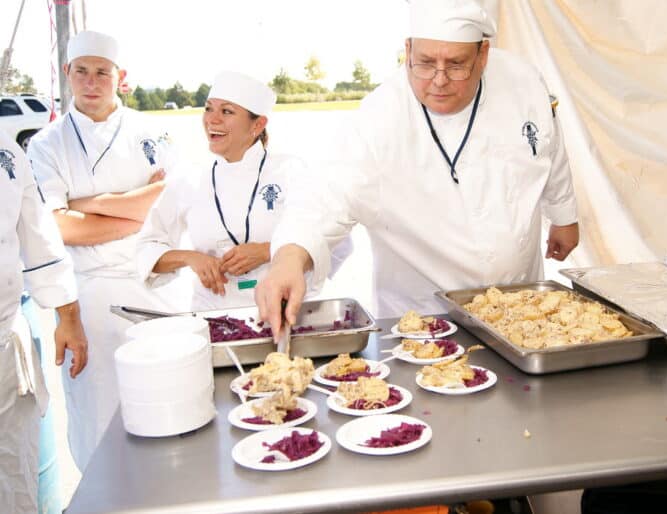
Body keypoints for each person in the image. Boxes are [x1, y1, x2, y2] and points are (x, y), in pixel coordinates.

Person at [256, 0, 579, 331]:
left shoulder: (523, 81)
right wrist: (289, 258)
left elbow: (549, 146)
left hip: (522, 304)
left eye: (456, 65)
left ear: (483, 55)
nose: (439, 80)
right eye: (425, 63)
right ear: (408, 50)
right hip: (424, 316)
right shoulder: (380, 116)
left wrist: (564, 215)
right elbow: (327, 193)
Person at [26, 30, 179, 471]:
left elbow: (170, 200)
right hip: (89, 298)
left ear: (120, 76)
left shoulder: (153, 132)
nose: (91, 82)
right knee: (96, 415)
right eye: (82, 72)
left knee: (163, 403)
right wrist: (135, 212)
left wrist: (88, 204)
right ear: (67, 73)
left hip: (155, 287)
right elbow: (57, 227)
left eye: (102, 73)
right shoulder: (47, 143)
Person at [136, 72, 316, 309]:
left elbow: (329, 240)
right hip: (212, 312)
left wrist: (268, 251)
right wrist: (190, 258)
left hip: (284, 309)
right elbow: (148, 246)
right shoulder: (189, 179)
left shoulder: (290, 171)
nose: (212, 120)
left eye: (227, 111)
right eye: (208, 109)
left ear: (258, 124)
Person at [0, 133, 88, 514]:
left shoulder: (5, 149)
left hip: (5, 347)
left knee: (13, 477)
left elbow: (38, 237)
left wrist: (69, 316)